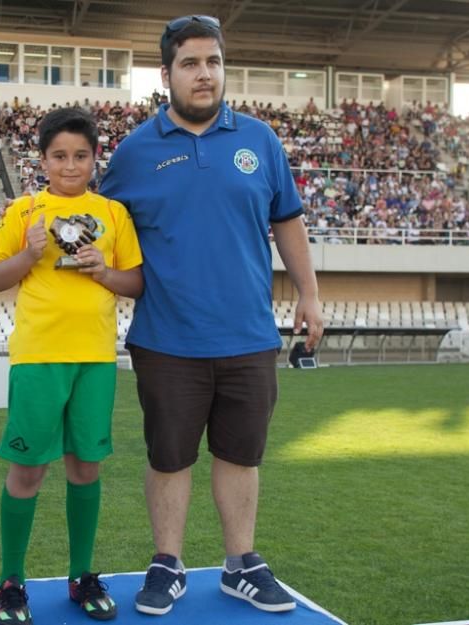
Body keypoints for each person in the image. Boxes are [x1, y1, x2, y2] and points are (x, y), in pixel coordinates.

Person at [99, 14, 324, 617]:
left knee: (241, 455)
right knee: (169, 457)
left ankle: (241, 563)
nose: (205, 74)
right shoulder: (134, 152)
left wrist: (309, 292)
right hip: (167, 338)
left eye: (214, 62)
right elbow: (102, 230)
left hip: (249, 334)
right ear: (167, 73)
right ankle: (166, 563)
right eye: (191, 63)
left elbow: (288, 221)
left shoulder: (260, 141)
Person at [0, 107, 144, 625]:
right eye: (59, 156)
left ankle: (82, 575)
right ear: (44, 159)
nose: (70, 166)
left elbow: (136, 283)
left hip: (96, 358)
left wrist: (104, 271)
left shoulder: (114, 213)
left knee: (86, 467)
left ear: (95, 159)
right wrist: (28, 256)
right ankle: (11, 581)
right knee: (28, 469)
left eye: (80, 155)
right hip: (38, 357)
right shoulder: (24, 211)